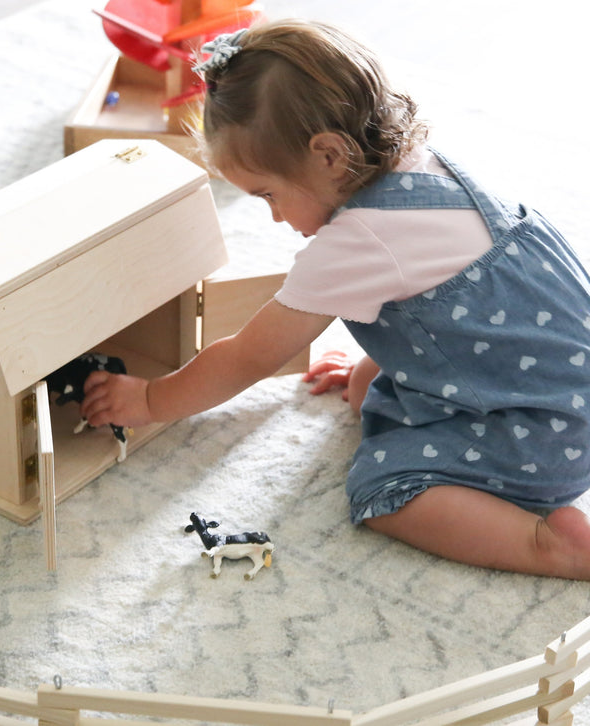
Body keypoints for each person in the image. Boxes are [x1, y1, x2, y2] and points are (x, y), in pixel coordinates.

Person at [81, 19, 590, 579]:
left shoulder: (359, 240)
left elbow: (249, 357)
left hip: (549, 436)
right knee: (363, 388)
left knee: (385, 488)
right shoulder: (426, 166)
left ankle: (547, 546)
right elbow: (462, 308)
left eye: (269, 194)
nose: (274, 215)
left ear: (328, 156)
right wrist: (386, 359)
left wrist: (152, 399)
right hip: (559, 381)